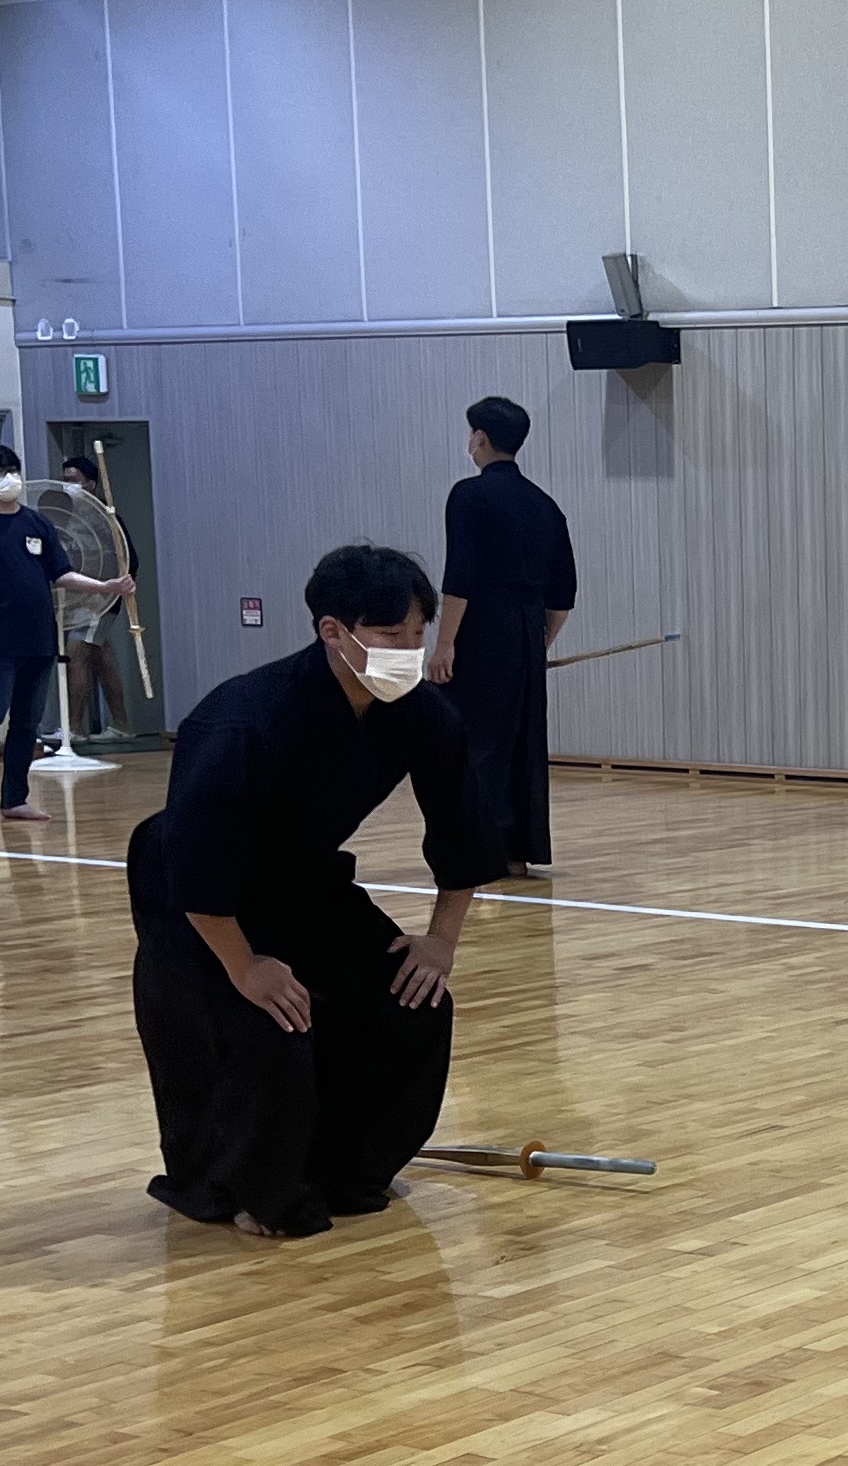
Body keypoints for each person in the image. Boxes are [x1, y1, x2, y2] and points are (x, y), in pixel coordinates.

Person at [128, 541, 507, 1240]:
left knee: (412, 1001)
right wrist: (246, 965)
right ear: (333, 630)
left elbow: (464, 834)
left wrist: (440, 943)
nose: (409, 651)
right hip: (201, 902)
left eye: (418, 633)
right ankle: (245, 1186)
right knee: (269, 1025)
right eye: (390, 634)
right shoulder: (241, 721)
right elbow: (197, 863)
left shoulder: (422, 714)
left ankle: (346, 1171)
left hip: (305, 882)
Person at [0, 443, 124, 827]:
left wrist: (106, 586)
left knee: (27, 722)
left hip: (38, 638)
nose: (9, 479)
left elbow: (61, 574)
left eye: (13, 470)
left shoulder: (37, 524)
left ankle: (14, 799)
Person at [432, 394, 578, 874]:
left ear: (479, 438)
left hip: (480, 628)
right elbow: (564, 593)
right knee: (522, 742)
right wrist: (538, 643)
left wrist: (446, 644)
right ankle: (517, 852)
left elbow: (461, 576)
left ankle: (478, 850)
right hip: (527, 630)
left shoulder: (468, 495)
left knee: (472, 741)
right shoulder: (545, 505)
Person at [45, 451, 140, 743]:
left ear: (91, 484)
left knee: (75, 657)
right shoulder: (66, 518)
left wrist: (117, 587)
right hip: (77, 602)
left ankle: (74, 729)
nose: (69, 485)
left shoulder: (105, 520)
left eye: (74, 480)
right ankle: (122, 726)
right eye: (65, 480)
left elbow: (130, 560)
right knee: (102, 661)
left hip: (100, 603)